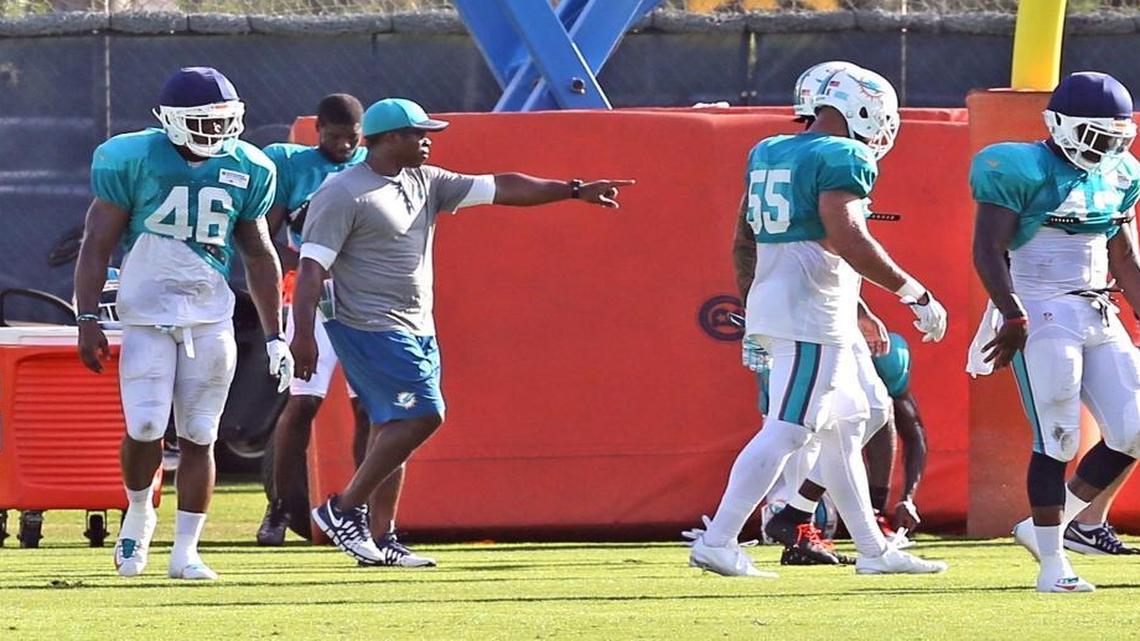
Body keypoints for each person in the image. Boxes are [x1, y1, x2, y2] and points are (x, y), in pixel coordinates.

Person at [289, 97, 635, 566]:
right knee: (424, 415)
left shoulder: (425, 181)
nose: (428, 141)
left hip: (416, 324)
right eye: (418, 133)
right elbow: (311, 270)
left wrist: (573, 190)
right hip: (367, 324)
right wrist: (303, 335)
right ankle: (343, 508)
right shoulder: (343, 192)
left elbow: (505, 187)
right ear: (389, 138)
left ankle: (382, 536)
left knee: (394, 427)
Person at [684, 64, 949, 578]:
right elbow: (847, 236)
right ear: (861, 106)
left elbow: (747, 241)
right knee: (789, 430)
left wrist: (762, 303)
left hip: (787, 300)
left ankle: (873, 550)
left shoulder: (768, 151)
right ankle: (718, 540)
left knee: (847, 425)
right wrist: (914, 293)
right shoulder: (843, 154)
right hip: (811, 313)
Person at [74, 67, 292, 579]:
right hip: (146, 315)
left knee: (200, 432)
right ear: (172, 121)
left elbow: (259, 254)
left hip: (208, 315)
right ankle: (140, 512)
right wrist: (87, 316)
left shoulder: (248, 167)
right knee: (146, 425)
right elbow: (96, 242)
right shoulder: (132, 158)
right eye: (204, 122)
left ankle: (187, 550)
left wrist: (276, 333)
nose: (216, 133)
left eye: (223, 121)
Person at [969, 71, 1140, 593]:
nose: (1108, 147)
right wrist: (1011, 313)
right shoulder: (1020, 166)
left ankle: (1046, 523)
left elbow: (1124, 254)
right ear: (1063, 126)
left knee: (1134, 428)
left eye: (1116, 136)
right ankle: (1052, 565)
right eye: (1098, 135)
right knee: (1058, 435)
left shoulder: (1120, 172)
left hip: (1096, 308)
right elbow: (988, 248)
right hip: (1039, 309)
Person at [255, 94, 419, 562]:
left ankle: (360, 513)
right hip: (316, 294)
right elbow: (266, 234)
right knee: (302, 401)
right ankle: (281, 507)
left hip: (366, 299)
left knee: (370, 409)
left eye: (353, 137)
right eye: (335, 137)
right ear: (318, 132)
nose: (345, 145)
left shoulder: (379, 165)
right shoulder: (291, 164)